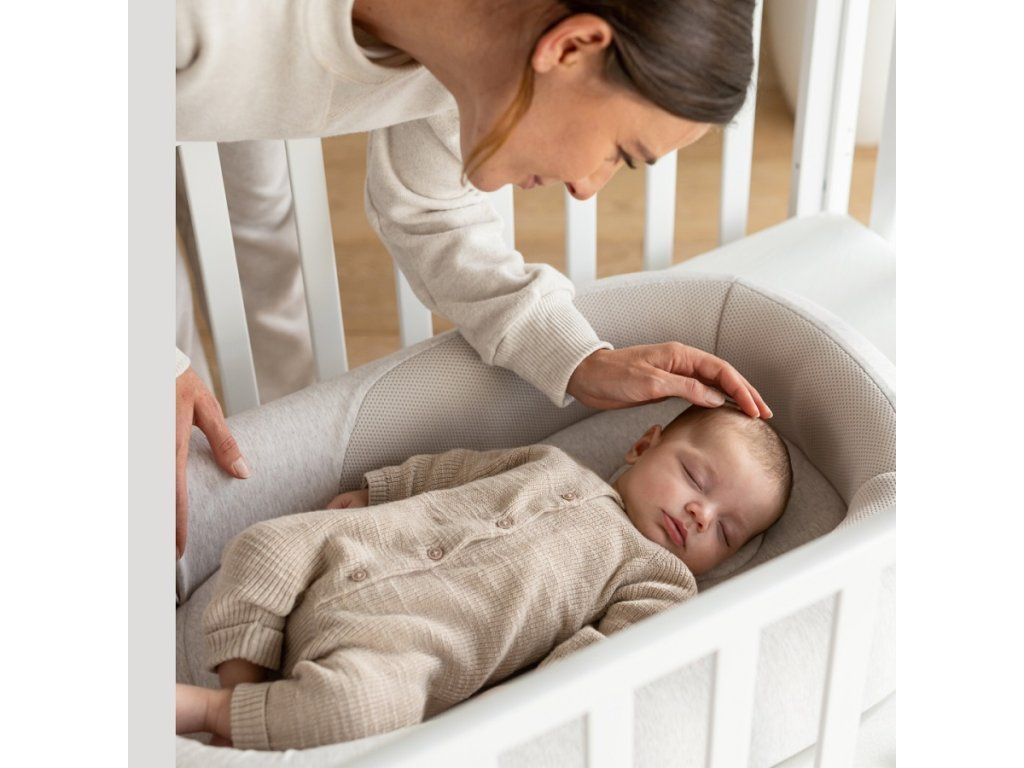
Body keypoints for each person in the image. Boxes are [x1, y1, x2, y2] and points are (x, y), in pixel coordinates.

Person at [175, 0, 772, 558]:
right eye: (621, 150)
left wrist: (579, 359)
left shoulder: (470, 53)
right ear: (571, 48)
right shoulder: (203, 19)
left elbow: (433, 213)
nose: (588, 187)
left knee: (251, 206)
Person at [175, 404, 792, 749]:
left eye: (726, 531)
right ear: (643, 444)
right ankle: (247, 679)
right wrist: (380, 492)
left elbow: (598, 661)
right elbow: (456, 470)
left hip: (402, 649)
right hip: (353, 549)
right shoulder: (552, 463)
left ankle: (217, 713)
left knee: (364, 708)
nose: (700, 514)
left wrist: (517, 712)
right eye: (696, 479)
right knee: (262, 545)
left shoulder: (658, 579)